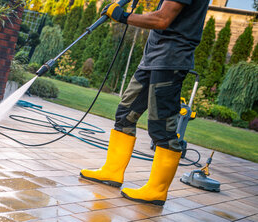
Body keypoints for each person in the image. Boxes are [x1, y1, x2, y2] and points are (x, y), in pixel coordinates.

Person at [80, 0, 209, 206]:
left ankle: (157, 191)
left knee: (162, 127)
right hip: (153, 59)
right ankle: (112, 172)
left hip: (170, 61)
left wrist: (123, 16)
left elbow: (162, 19)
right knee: (125, 114)